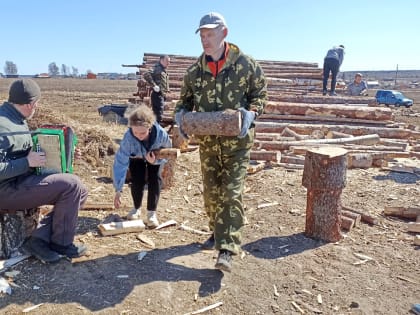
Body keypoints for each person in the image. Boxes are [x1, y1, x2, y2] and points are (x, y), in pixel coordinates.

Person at [174, 12, 267, 272]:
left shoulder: (246, 64)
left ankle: (227, 247)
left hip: (237, 144)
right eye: (202, 35)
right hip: (208, 145)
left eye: (210, 34)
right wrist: (180, 117)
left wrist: (251, 114)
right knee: (211, 195)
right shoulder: (194, 72)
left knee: (231, 192)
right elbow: (184, 102)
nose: (205, 39)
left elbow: (260, 94)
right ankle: (217, 230)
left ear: (224, 33)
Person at [0, 79, 88, 263]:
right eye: (36, 103)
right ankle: (61, 244)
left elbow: (24, 153)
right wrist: (27, 162)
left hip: (18, 181)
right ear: (30, 104)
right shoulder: (3, 125)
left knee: (80, 191)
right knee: (72, 186)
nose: (37, 107)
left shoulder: (15, 119)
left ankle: (39, 239)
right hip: (6, 190)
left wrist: (68, 156)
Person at [113, 104, 171, 228]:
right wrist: (118, 189)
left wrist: (155, 162)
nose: (139, 135)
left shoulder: (161, 134)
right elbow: (120, 162)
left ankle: (151, 213)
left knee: (155, 179)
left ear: (149, 127)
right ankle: (136, 208)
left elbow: (168, 152)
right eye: (135, 132)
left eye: (143, 133)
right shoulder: (128, 138)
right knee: (137, 180)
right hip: (136, 156)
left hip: (155, 156)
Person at [144, 55, 171, 123]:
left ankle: (155, 130)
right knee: (158, 116)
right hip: (157, 95)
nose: (168, 63)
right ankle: (156, 131)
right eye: (167, 61)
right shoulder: (157, 68)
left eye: (169, 62)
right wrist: (154, 85)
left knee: (158, 114)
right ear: (161, 60)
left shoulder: (163, 70)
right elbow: (146, 74)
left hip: (161, 95)